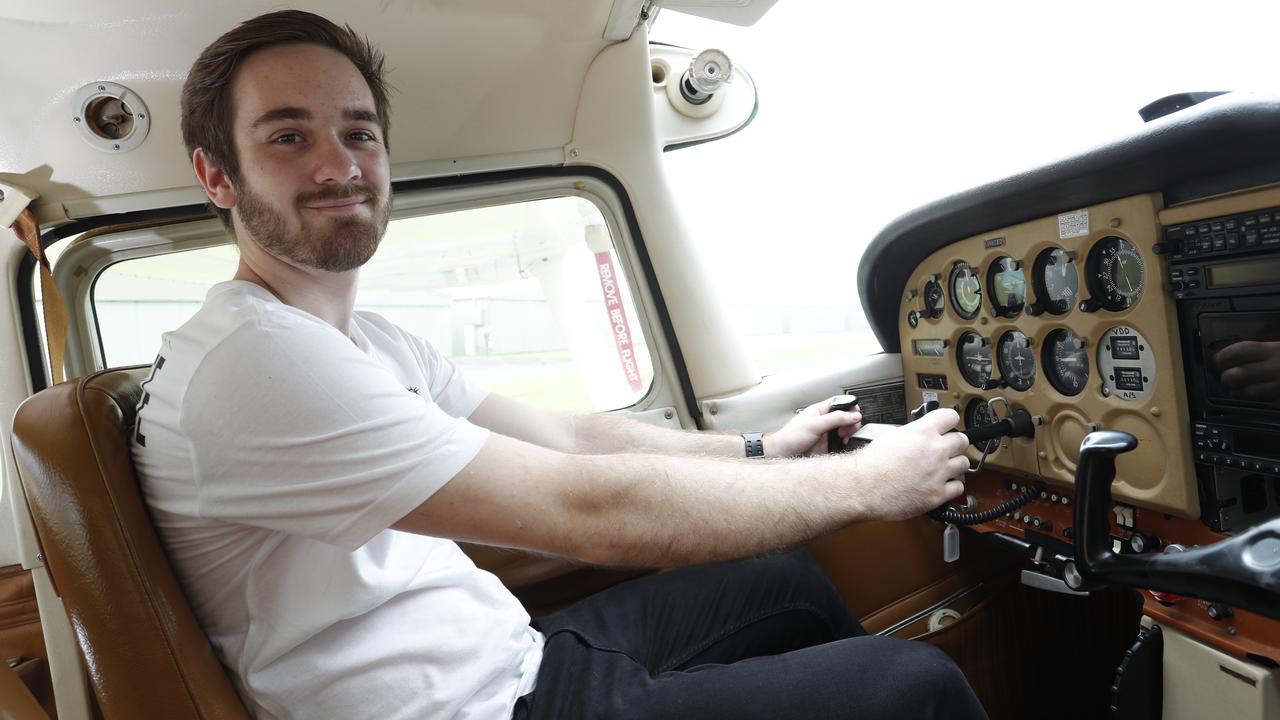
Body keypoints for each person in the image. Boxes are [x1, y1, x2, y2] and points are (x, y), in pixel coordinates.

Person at [131, 9, 987, 720]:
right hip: (472, 711)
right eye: (289, 137)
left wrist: (760, 452)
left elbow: (571, 441)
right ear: (219, 177)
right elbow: (587, 507)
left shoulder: (366, 340)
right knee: (916, 689)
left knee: (779, 580)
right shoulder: (256, 359)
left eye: (359, 131)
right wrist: (876, 485)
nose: (340, 164)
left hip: (509, 657)